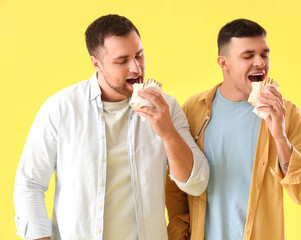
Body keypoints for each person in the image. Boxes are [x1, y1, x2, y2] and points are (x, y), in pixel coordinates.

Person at [14, 14, 209, 240]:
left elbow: (196, 184)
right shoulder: (61, 108)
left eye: (139, 55)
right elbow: (29, 184)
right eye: (122, 60)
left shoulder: (166, 107)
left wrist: (168, 133)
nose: (136, 68)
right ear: (96, 63)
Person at [166, 18, 301, 240]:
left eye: (264, 55)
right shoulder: (193, 110)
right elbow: (177, 184)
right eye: (248, 56)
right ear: (223, 63)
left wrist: (280, 136)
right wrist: (180, 232)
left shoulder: (288, 113)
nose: (260, 63)